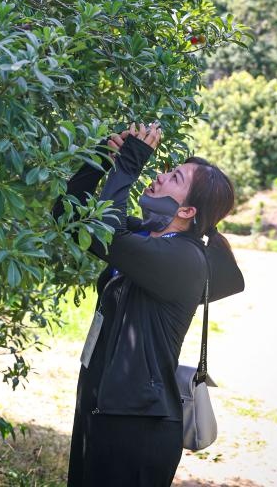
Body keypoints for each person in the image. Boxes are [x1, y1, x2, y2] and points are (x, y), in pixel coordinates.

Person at [52, 122, 244, 487]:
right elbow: (70, 216)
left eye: (174, 177)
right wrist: (102, 158)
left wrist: (130, 163)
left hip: (138, 424)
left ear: (187, 211)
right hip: (101, 405)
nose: (159, 175)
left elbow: (105, 233)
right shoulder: (145, 236)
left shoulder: (183, 259)